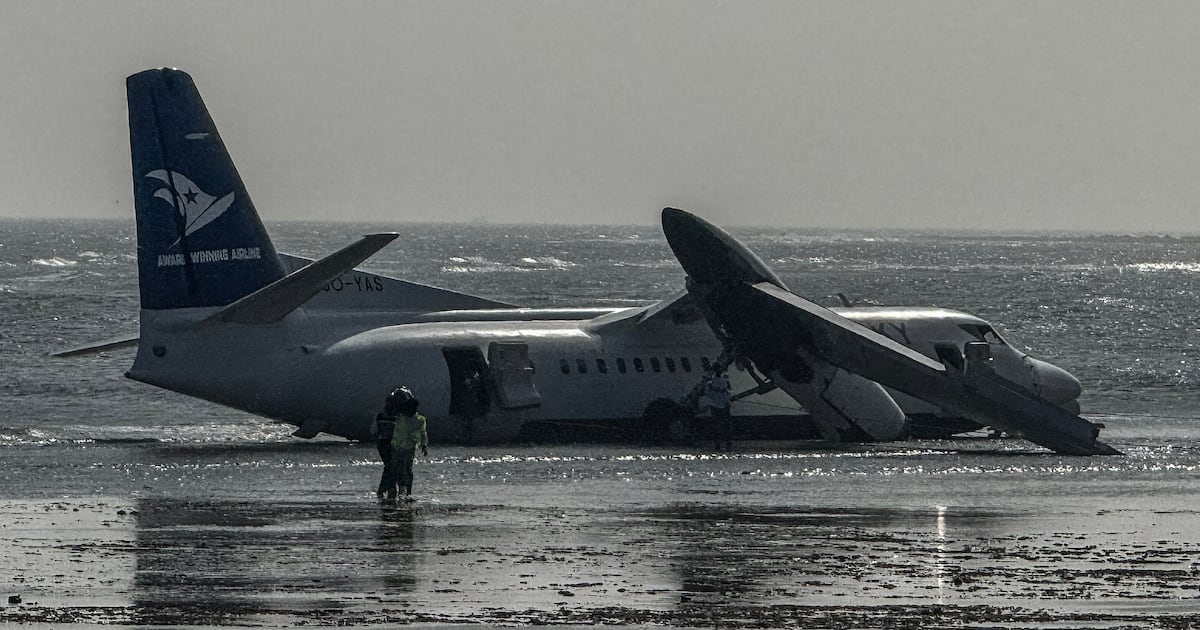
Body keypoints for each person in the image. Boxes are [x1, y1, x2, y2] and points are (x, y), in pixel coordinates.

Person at [388, 386, 428, 499]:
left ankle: (403, 490)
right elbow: (423, 433)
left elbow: (423, 433)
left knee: (403, 469)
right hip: (401, 446)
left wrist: (424, 445)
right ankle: (401, 490)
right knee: (401, 469)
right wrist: (424, 445)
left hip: (405, 447)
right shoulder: (409, 418)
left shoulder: (416, 419)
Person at [372, 389, 403, 499]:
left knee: (389, 466)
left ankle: (388, 488)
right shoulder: (398, 416)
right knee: (391, 465)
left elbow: (373, 430)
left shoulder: (381, 415)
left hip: (382, 443)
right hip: (390, 443)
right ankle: (387, 488)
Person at [702, 370, 733, 451]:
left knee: (726, 425)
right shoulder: (710, 383)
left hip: (724, 405)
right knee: (717, 426)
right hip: (716, 406)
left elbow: (729, 391)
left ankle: (727, 442)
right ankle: (718, 443)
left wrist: (727, 399)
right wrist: (716, 391)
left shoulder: (725, 380)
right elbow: (707, 393)